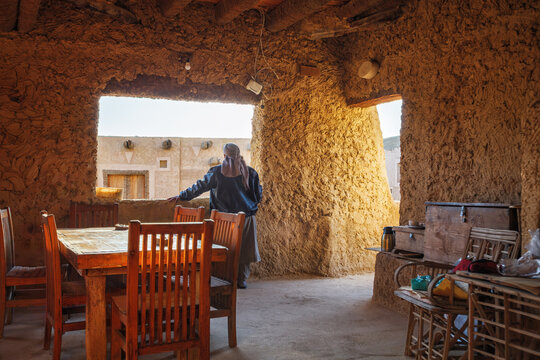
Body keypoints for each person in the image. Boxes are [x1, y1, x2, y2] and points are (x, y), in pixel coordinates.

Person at [168, 143, 262, 289]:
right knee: (244, 250)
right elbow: (258, 196)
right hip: (246, 217)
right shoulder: (250, 172)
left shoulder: (217, 172)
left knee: (222, 249)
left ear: (224, 156)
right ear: (238, 155)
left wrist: (182, 196)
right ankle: (241, 280)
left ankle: (223, 278)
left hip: (223, 220)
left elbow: (199, 187)